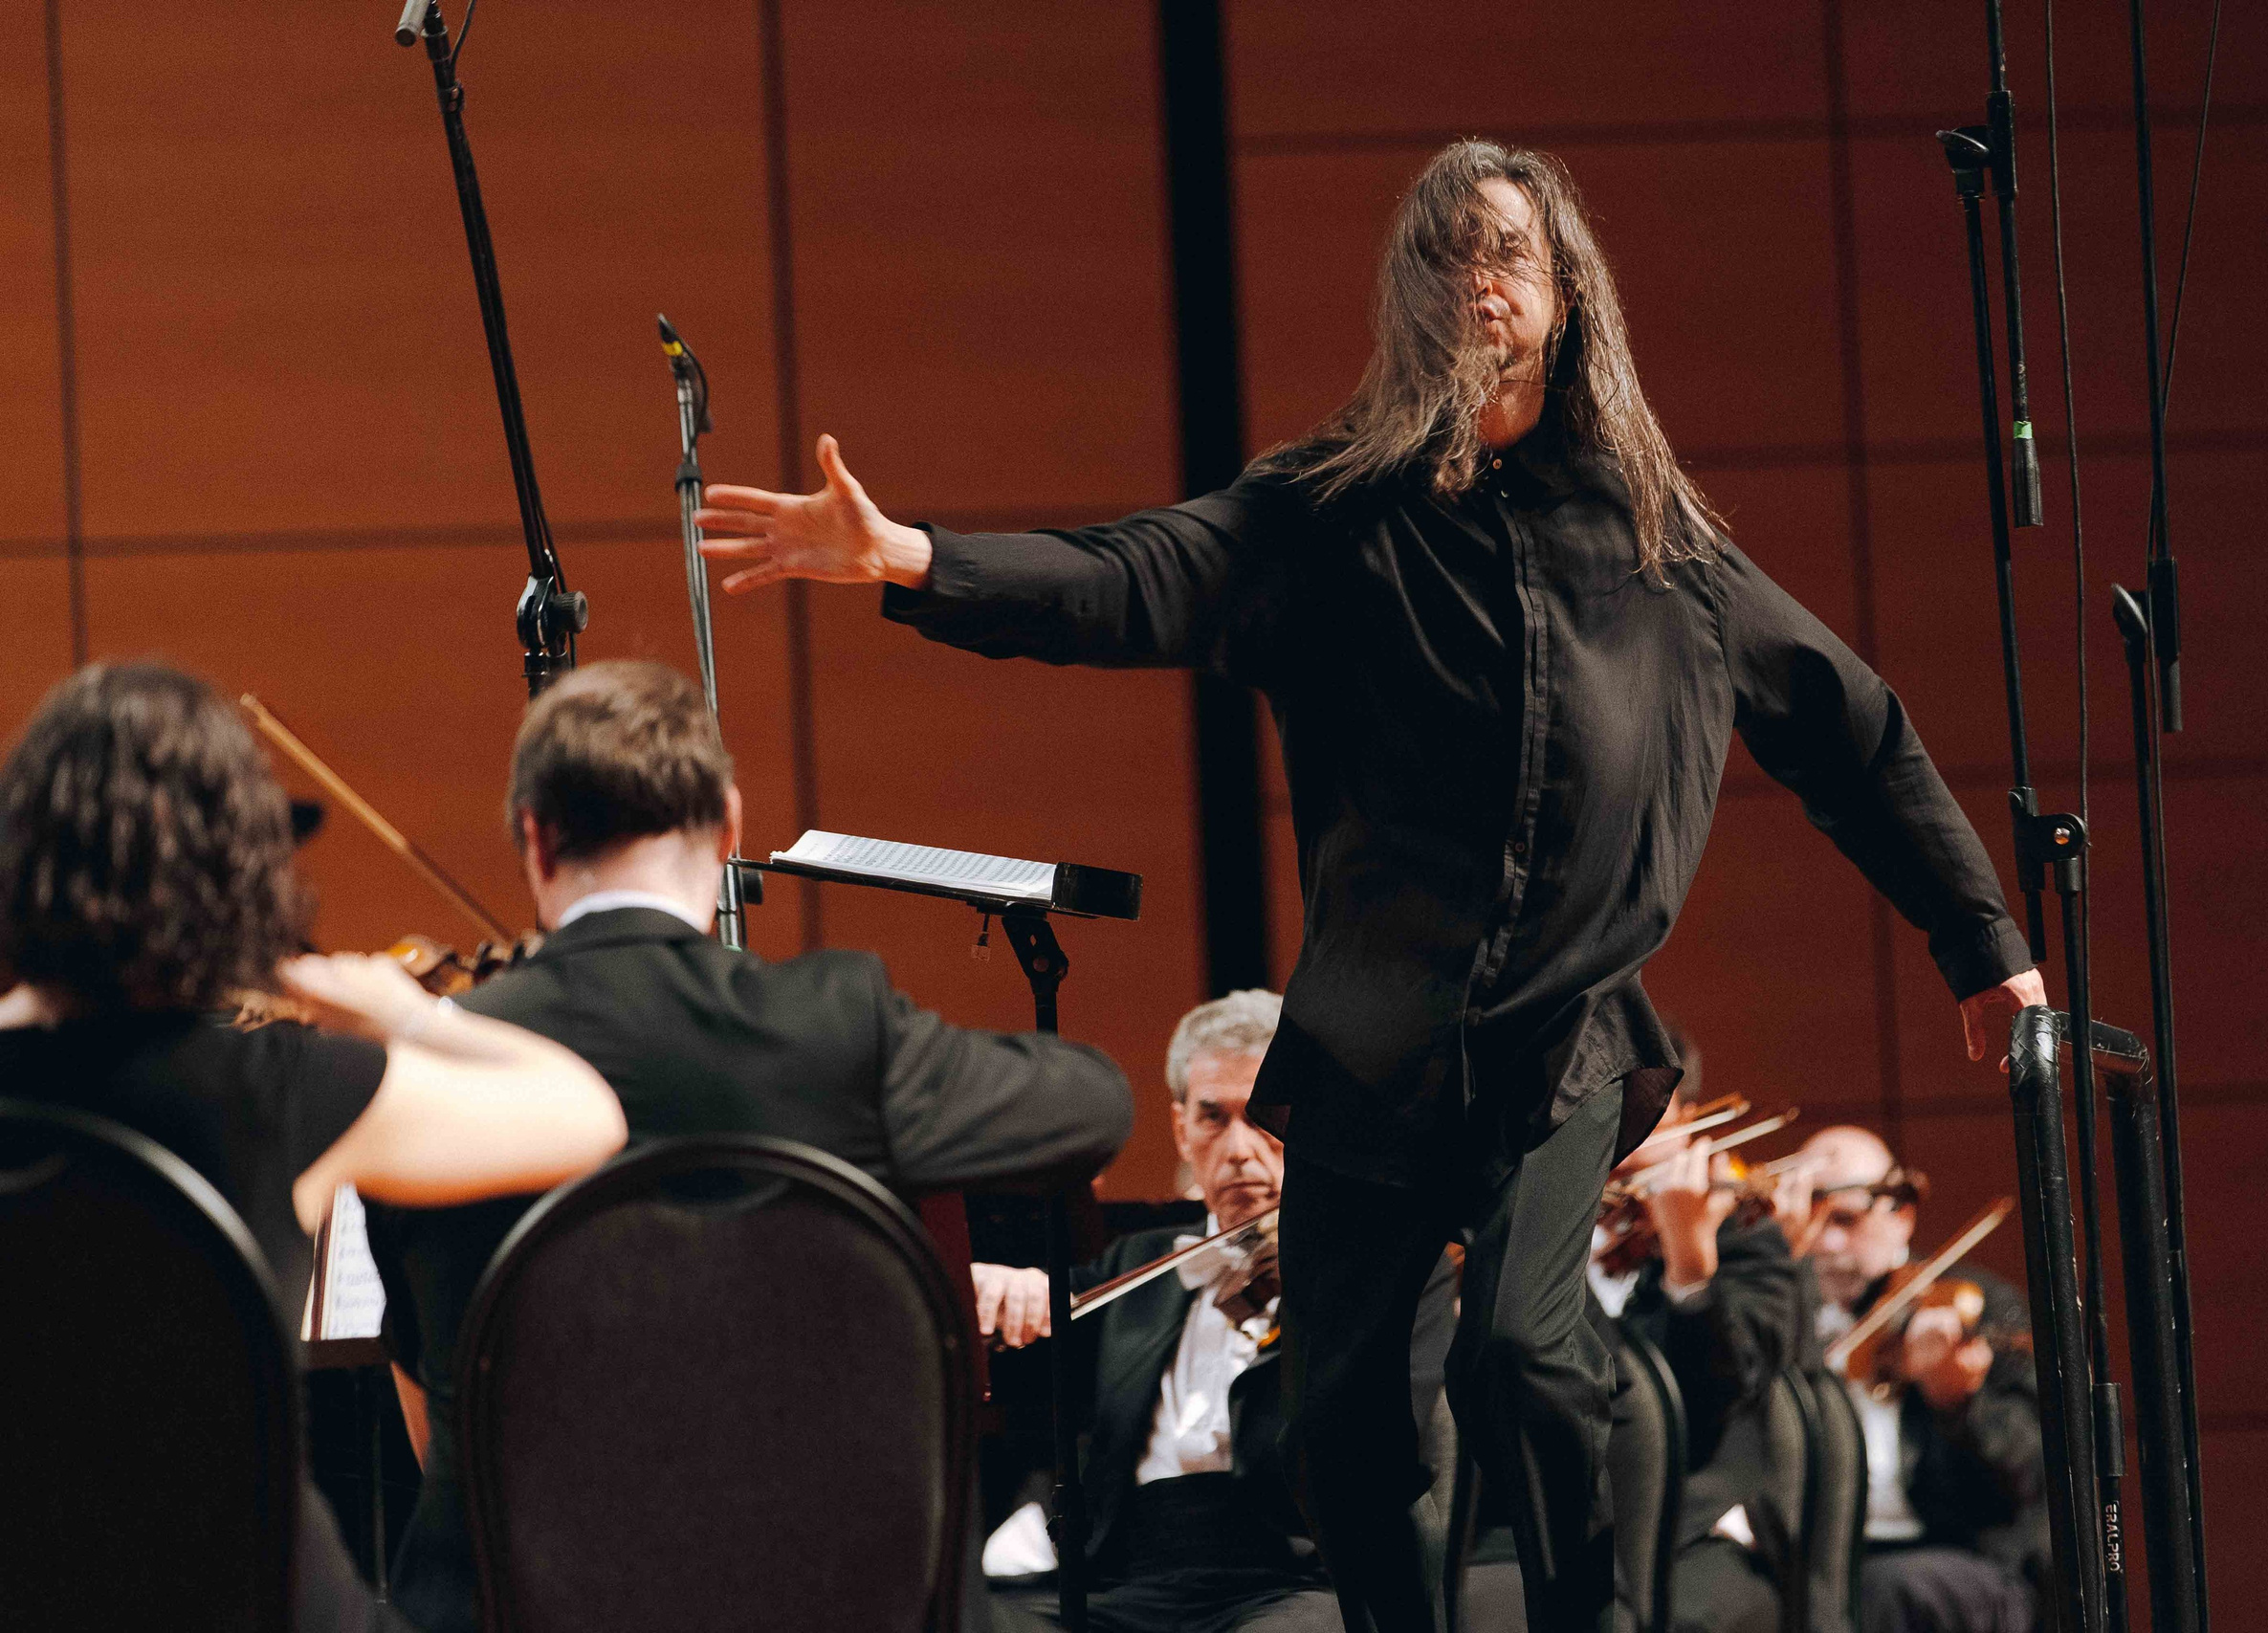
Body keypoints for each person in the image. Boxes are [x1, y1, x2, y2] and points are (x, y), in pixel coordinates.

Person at [694, 139, 2047, 1633]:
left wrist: (1981, 942)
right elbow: (1134, 574)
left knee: (1524, 1357)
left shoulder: (1668, 550)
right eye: (1453, 254)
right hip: (1373, 1048)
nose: (1484, 277)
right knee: (1341, 1415)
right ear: (1416, 296)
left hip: (1564, 1037)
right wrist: (913, 559)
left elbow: (1853, 733)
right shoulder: (1333, 517)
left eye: (1514, 251)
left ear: (1566, 289)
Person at [364, 659, 1136, 1633]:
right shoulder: (836, 1028)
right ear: (729, 826)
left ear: (532, 834)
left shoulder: (437, 1059)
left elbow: (437, 1410)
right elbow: (1093, 1106)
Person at [0, 662, 628, 1633]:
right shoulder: (286, 1088)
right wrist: (408, 1017)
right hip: (257, 1598)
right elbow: (586, 1113)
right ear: (239, 874)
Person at [973, 989, 1457, 1633]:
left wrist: (1302, 1314)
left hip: (1296, 1580)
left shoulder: (1371, 1272)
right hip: (1131, 1580)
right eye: (1213, 1118)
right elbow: (1026, 1353)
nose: (1238, 1150)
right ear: (1181, 1129)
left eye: (1264, 1119)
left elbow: (1363, 1461)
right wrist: (997, 1288)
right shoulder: (1136, 1263)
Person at [1796, 1127, 2045, 1633]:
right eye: (1812, 1219)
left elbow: (2034, 1473)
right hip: (1826, 1553)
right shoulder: (1787, 1316)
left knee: (1876, 1592)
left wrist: (1958, 1403)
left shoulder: (1980, 1306)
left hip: (1960, 1556)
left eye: (1845, 1219)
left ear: (1901, 1215)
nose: (1826, 1242)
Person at [1586, 1075, 1810, 1633]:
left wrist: (1690, 1269)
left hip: (1689, 1529)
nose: (1620, 1133)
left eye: (1644, 1112)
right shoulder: (1551, 1217)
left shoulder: (1741, 1229)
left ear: (1685, 1118)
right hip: (1570, 1519)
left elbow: (1733, 1390)